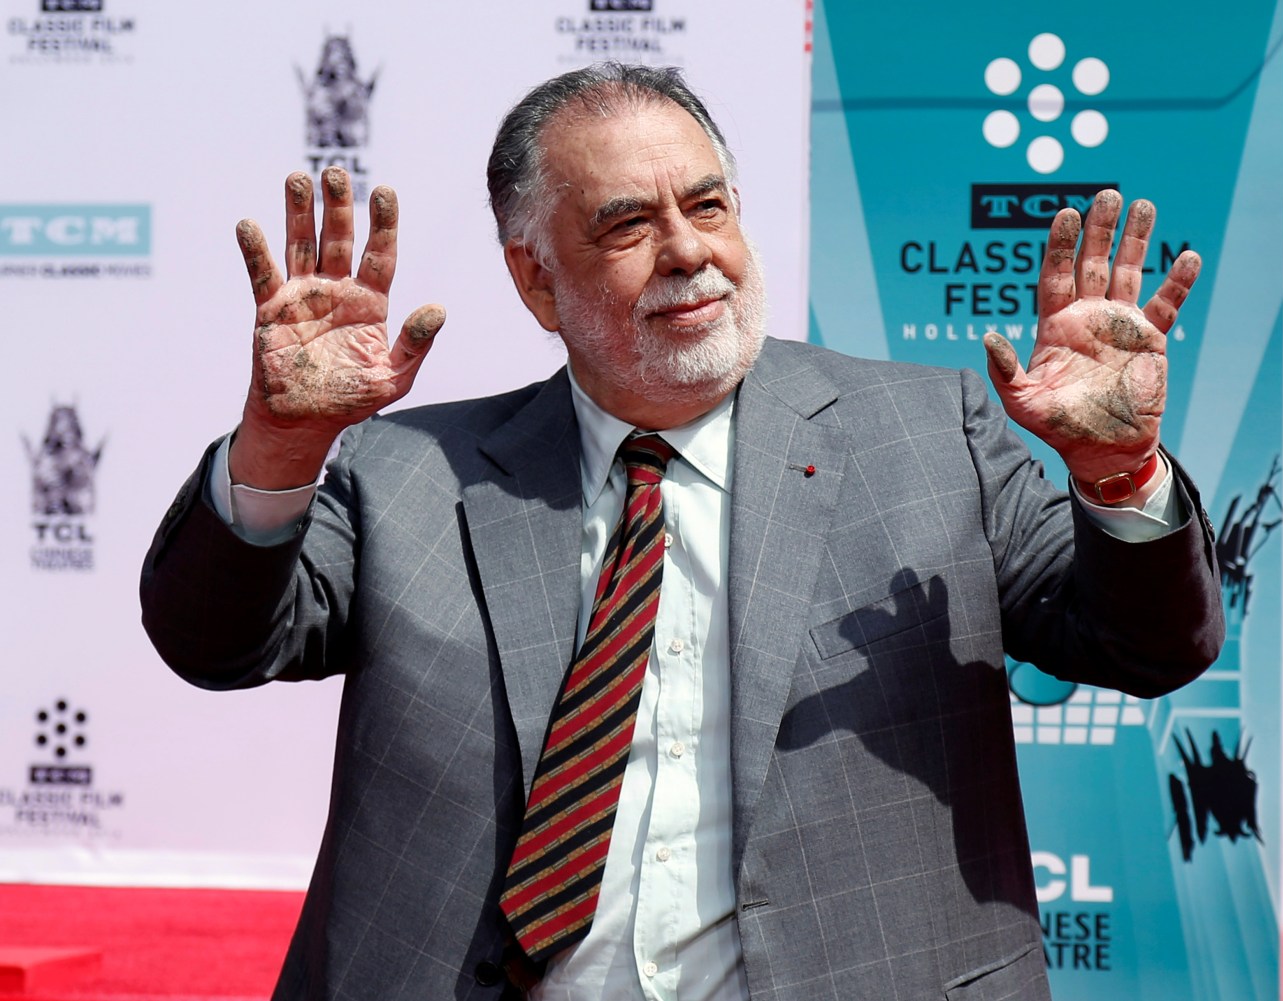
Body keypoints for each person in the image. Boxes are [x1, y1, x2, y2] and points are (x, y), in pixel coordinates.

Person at [140, 62, 1222, 1001]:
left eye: (707, 207)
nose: (685, 252)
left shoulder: (927, 434)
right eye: (625, 223)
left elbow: (1147, 645)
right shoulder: (412, 473)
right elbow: (217, 637)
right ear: (535, 278)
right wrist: (280, 443)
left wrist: (1115, 471)